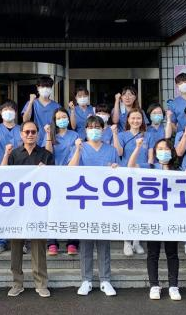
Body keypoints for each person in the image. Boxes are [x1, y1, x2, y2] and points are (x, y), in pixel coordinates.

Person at [1, 121, 54, 298]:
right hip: (17, 207)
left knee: (39, 247)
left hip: (38, 207)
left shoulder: (46, 155)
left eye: (33, 132)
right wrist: (6, 154)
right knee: (16, 247)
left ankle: (41, 284)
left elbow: (54, 179)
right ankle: (17, 283)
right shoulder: (14, 154)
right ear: (21, 134)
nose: (30, 134)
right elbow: (4, 177)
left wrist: (45, 172)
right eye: (27, 132)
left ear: (38, 134)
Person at [67, 116, 119, 297]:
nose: (94, 130)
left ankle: (105, 280)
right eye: (90, 127)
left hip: (104, 201)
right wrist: (78, 150)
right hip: (85, 200)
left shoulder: (111, 150)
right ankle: (86, 280)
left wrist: (115, 168)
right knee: (86, 241)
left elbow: (119, 174)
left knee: (104, 241)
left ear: (103, 129)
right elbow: (70, 169)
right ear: (86, 130)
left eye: (97, 127)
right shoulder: (79, 147)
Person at [127, 138, 182, 301]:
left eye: (166, 148)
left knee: (172, 253)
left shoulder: (178, 170)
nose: (163, 151)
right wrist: (138, 147)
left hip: (172, 218)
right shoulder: (149, 167)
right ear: (155, 152)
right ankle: (154, 286)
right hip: (152, 218)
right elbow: (130, 166)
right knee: (153, 253)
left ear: (171, 151)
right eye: (159, 149)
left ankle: (173, 286)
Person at [0, 100, 22, 254]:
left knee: (19, 205)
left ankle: (19, 241)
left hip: (19, 171)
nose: (8, 112)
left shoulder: (21, 129)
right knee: (0, 206)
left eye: (11, 109)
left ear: (15, 112)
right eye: (5, 109)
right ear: (1, 113)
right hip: (0, 170)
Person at [44, 108, 80, 256]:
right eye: (58, 118)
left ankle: (72, 242)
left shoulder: (75, 135)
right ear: (55, 120)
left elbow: (77, 154)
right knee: (53, 209)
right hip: (54, 176)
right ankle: (52, 242)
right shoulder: (51, 135)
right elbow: (48, 153)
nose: (62, 120)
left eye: (64, 117)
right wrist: (48, 135)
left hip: (71, 176)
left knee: (72, 209)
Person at [115, 108, 147, 257]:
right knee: (127, 209)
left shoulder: (147, 135)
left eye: (138, 118)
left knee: (141, 209)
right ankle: (126, 241)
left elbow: (151, 156)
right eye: (133, 118)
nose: (135, 121)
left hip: (143, 175)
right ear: (128, 120)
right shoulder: (122, 135)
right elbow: (119, 152)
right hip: (126, 176)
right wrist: (114, 134)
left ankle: (137, 241)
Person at [22, 76, 61, 147]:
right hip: (35, 139)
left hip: (51, 139)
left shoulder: (56, 106)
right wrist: (31, 102)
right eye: (43, 86)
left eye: (48, 87)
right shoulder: (32, 103)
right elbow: (25, 120)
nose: (45, 89)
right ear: (37, 87)